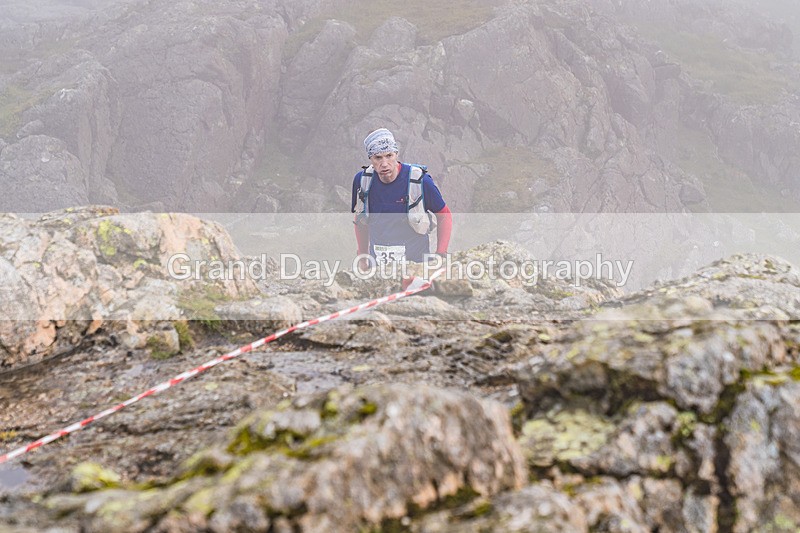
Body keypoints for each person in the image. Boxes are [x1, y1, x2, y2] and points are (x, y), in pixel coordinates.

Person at [351, 128, 452, 265]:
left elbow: (444, 215)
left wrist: (441, 253)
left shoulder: (420, 181)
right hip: (378, 266)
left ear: (396, 154)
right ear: (370, 158)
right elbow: (360, 220)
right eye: (378, 158)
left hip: (416, 264)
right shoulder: (362, 181)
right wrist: (363, 257)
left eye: (389, 155)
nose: (384, 163)